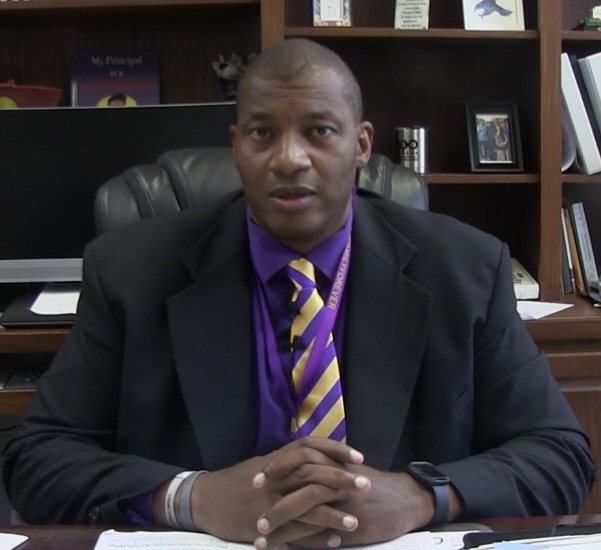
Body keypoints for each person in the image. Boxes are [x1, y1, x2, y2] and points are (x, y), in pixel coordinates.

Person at [2, 38, 595, 549]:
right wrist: (194, 498)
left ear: (361, 146)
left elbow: (558, 454)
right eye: (263, 133)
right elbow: (36, 459)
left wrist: (420, 497)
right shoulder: (132, 271)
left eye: (319, 132)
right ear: (237, 144)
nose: (289, 159)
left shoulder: (462, 268)